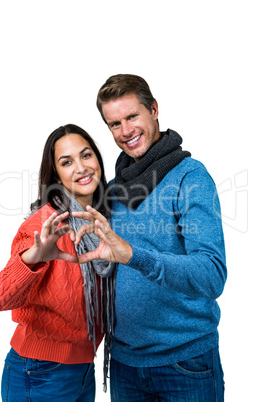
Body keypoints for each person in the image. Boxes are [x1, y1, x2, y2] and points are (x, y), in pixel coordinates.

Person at [72, 74, 227, 401]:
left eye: (132, 117)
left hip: (185, 364)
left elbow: (211, 275)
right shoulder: (112, 190)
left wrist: (133, 255)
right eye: (114, 124)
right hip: (126, 367)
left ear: (153, 109)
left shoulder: (190, 178)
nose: (125, 131)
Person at [0, 124, 114, 402]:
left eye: (86, 155)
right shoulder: (46, 223)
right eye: (66, 162)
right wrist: (32, 258)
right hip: (39, 371)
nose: (81, 167)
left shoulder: (101, 221)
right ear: (55, 173)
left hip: (82, 369)